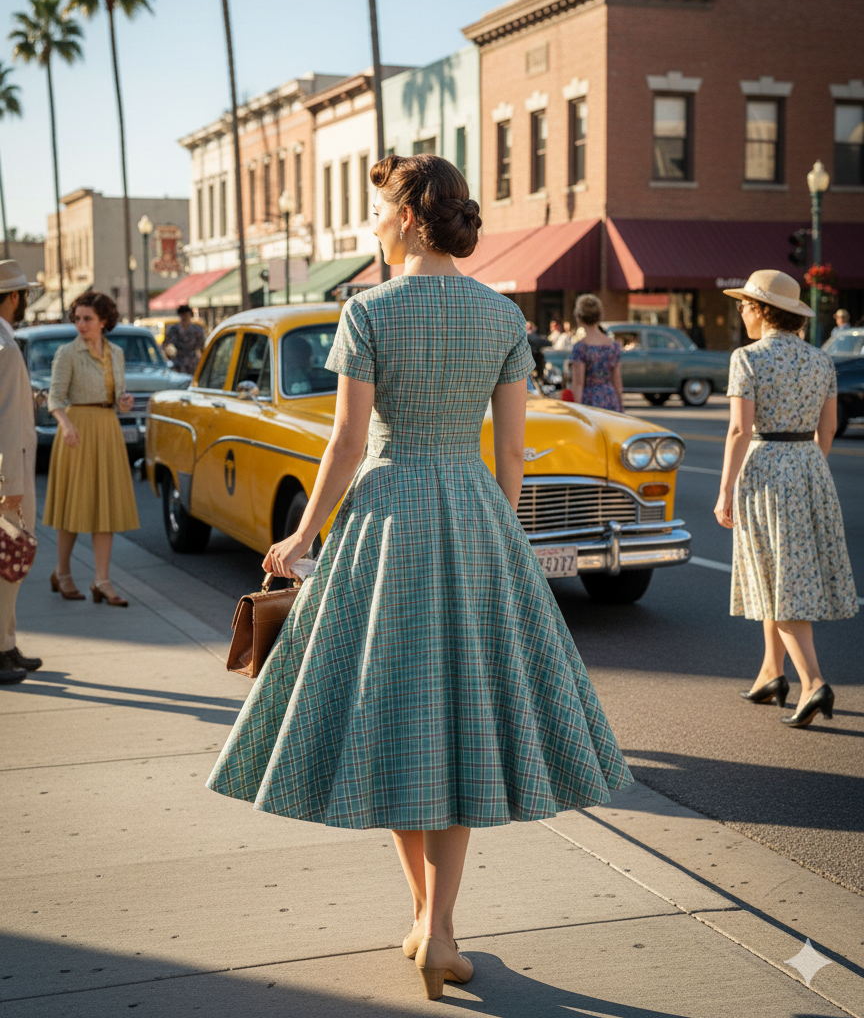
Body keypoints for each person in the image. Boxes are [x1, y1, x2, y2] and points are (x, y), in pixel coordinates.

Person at [207, 154, 633, 1001]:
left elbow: (347, 443)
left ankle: (425, 922)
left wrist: (302, 534)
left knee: (395, 714)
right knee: (463, 720)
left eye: (377, 211)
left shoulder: (367, 311)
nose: (372, 226)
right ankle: (436, 926)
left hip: (387, 517)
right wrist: (496, 532)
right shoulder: (502, 314)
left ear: (406, 218)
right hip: (474, 511)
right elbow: (512, 451)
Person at [715, 270, 857, 728]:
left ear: (761, 310)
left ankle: (813, 682)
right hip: (810, 467)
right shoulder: (821, 360)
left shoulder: (747, 357)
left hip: (765, 469)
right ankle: (770, 674)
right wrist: (807, 467)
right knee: (776, 572)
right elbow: (828, 429)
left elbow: (740, 429)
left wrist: (725, 490)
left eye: (744, 305)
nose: (741, 311)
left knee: (779, 580)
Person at [43, 291, 140, 606]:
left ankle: (102, 581)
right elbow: (54, 399)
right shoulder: (67, 353)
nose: (81, 324)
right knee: (74, 508)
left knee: (104, 509)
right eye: (78, 318)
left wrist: (124, 402)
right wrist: (66, 425)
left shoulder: (116, 353)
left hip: (107, 429)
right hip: (77, 432)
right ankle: (62, 572)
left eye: (88, 319)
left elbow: (118, 398)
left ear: (103, 321)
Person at [0, 260, 43, 684]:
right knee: (7, 563)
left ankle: (7, 642)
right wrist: (11, 484)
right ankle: (1, 649)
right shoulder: (6, 348)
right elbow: (8, 422)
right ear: (14, 297)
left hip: (7, 468)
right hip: (7, 474)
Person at [569, 294, 624, 411]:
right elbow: (617, 382)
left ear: (579, 318)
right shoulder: (613, 346)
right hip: (610, 398)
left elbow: (578, 385)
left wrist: (577, 410)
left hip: (589, 400)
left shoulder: (581, 348)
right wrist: (621, 406)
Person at [163, 304, 206, 375]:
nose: (185, 317)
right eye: (183, 314)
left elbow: (202, 346)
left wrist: (203, 361)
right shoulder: (174, 330)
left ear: (190, 315)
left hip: (193, 362)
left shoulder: (197, 330)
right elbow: (165, 345)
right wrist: (170, 358)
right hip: (179, 362)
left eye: (186, 314)